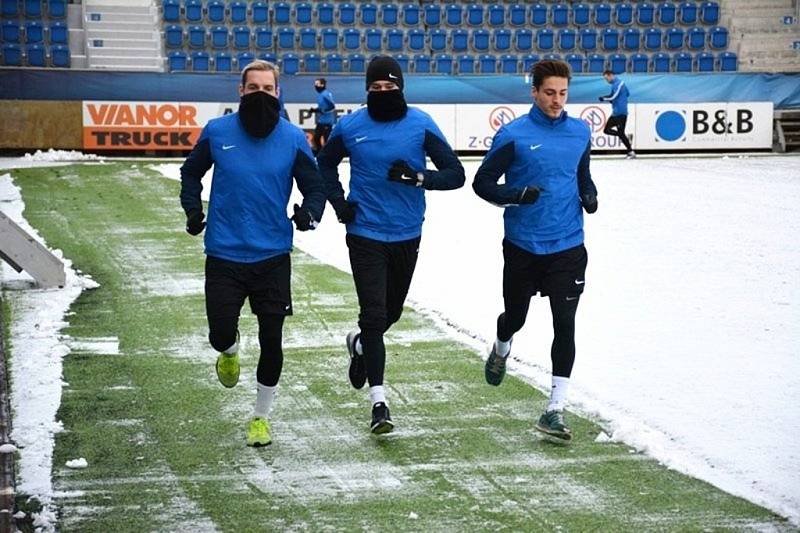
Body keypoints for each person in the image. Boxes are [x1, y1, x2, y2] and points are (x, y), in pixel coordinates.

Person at [180, 60, 326, 447]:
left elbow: (314, 186)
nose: (261, 94)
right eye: (253, 88)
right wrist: (193, 210)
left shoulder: (293, 139)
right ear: (240, 92)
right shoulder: (218, 132)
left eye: (268, 88)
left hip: (273, 256)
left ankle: (261, 417)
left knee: (271, 341)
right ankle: (228, 352)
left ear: (278, 94)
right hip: (224, 254)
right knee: (220, 333)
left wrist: (310, 213)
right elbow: (190, 173)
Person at [317, 56, 465, 435]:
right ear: (367, 91)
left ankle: (362, 346)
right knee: (373, 313)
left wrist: (418, 178)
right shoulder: (350, 126)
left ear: (401, 88)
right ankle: (379, 403)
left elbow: (455, 174)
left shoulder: (420, 123)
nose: (384, 93)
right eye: (376, 89)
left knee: (389, 315)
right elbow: (324, 165)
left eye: (390, 87)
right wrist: (339, 203)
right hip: (364, 232)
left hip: (407, 232)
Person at [473, 59, 598, 443]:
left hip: (567, 245)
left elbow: (582, 176)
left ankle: (555, 410)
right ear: (534, 91)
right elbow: (482, 183)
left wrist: (589, 195)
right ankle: (501, 344)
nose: (557, 100)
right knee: (516, 316)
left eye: (562, 93)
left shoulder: (579, 132)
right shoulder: (513, 135)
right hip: (524, 246)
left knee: (565, 324)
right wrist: (516, 195)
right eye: (549, 93)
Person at [599, 69, 635, 159]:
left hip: (621, 113)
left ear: (611, 75)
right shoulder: (614, 85)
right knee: (606, 130)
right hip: (615, 113)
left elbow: (613, 96)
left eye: (606, 79)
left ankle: (631, 152)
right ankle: (624, 137)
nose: (606, 81)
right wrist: (608, 98)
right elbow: (627, 94)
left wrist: (604, 99)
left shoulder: (619, 84)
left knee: (620, 132)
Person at [311, 78, 336, 154]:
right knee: (316, 138)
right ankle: (320, 153)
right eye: (315, 84)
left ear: (322, 85)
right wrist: (315, 110)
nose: (315, 85)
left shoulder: (326, 94)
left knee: (326, 140)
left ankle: (327, 155)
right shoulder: (321, 95)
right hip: (321, 121)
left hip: (327, 122)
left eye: (317, 84)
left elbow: (332, 106)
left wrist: (323, 111)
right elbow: (322, 107)